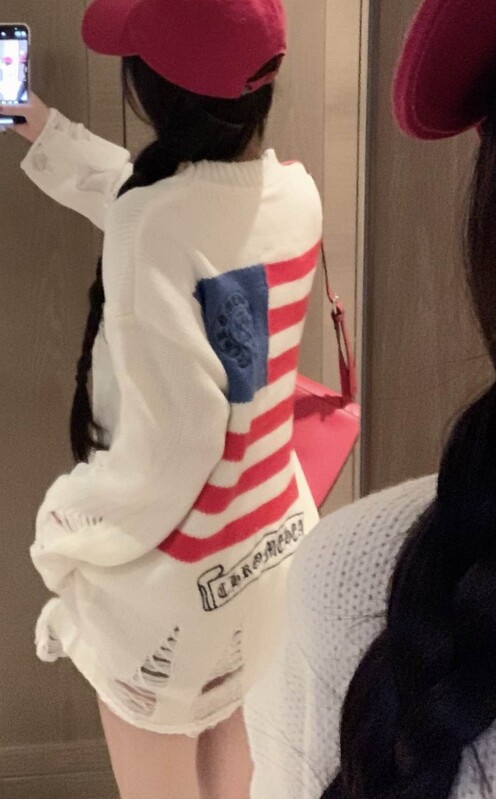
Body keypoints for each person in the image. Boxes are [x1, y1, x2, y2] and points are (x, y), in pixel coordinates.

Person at [0, 1, 322, 796]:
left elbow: (170, 453)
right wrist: (42, 127)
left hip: (168, 597)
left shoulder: (153, 226)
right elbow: (181, 211)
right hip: (263, 568)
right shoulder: (294, 198)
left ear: (154, 89)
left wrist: (62, 527)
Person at [244, 0, 496, 797]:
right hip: (270, 508)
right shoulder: (295, 195)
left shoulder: (357, 584)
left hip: (189, 557)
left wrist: (70, 541)